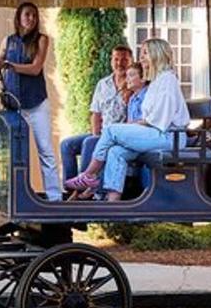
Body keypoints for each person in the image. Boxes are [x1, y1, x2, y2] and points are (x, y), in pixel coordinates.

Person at [63, 38, 190, 202]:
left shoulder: (167, 79)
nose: (142, 58)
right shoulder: (157, 81)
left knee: (110, 130)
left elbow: (158, 120)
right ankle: (113, 203)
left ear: (157, 55)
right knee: (116, 152)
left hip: (168, 137)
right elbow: (149, 118)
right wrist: (133, 125)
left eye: (145, 53)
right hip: (157, 133)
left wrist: (130, 126)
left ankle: (89, 175)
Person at [0, 1, 62, 200]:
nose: (31, 19)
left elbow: (35, 68)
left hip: (36, 104)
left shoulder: (42, 40)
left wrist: (10, 65)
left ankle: (54, 197)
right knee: (12, 153)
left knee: (45, 150)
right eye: (27, 15)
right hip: (14, 107)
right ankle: (14, 196)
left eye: (34, 15)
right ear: (18, 18)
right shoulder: (7, 41)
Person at [71, 62, 147, 199]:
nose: (127, 78)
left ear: (142, 78)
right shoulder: (132, 98)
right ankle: (84, 187)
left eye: (131, 76)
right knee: (77, 143)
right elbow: (95, 113)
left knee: (95, 143)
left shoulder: (144, 96)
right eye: (127, 76)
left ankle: (88, 183)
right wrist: (97, 133)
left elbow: (146, 122)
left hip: (133, 137)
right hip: (111, 134)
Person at [58, 44, 132, 182]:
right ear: (111, 61)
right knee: (67, 145)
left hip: (118, 136)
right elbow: (95, 114)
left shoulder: (133, 85)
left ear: (131, 62)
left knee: (89, 142)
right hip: (102, 133)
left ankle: (84, 187)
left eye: (124, 60)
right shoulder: (102, 84)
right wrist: (96, 134)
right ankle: (70, 188)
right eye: (116, 59)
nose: (119, 63)